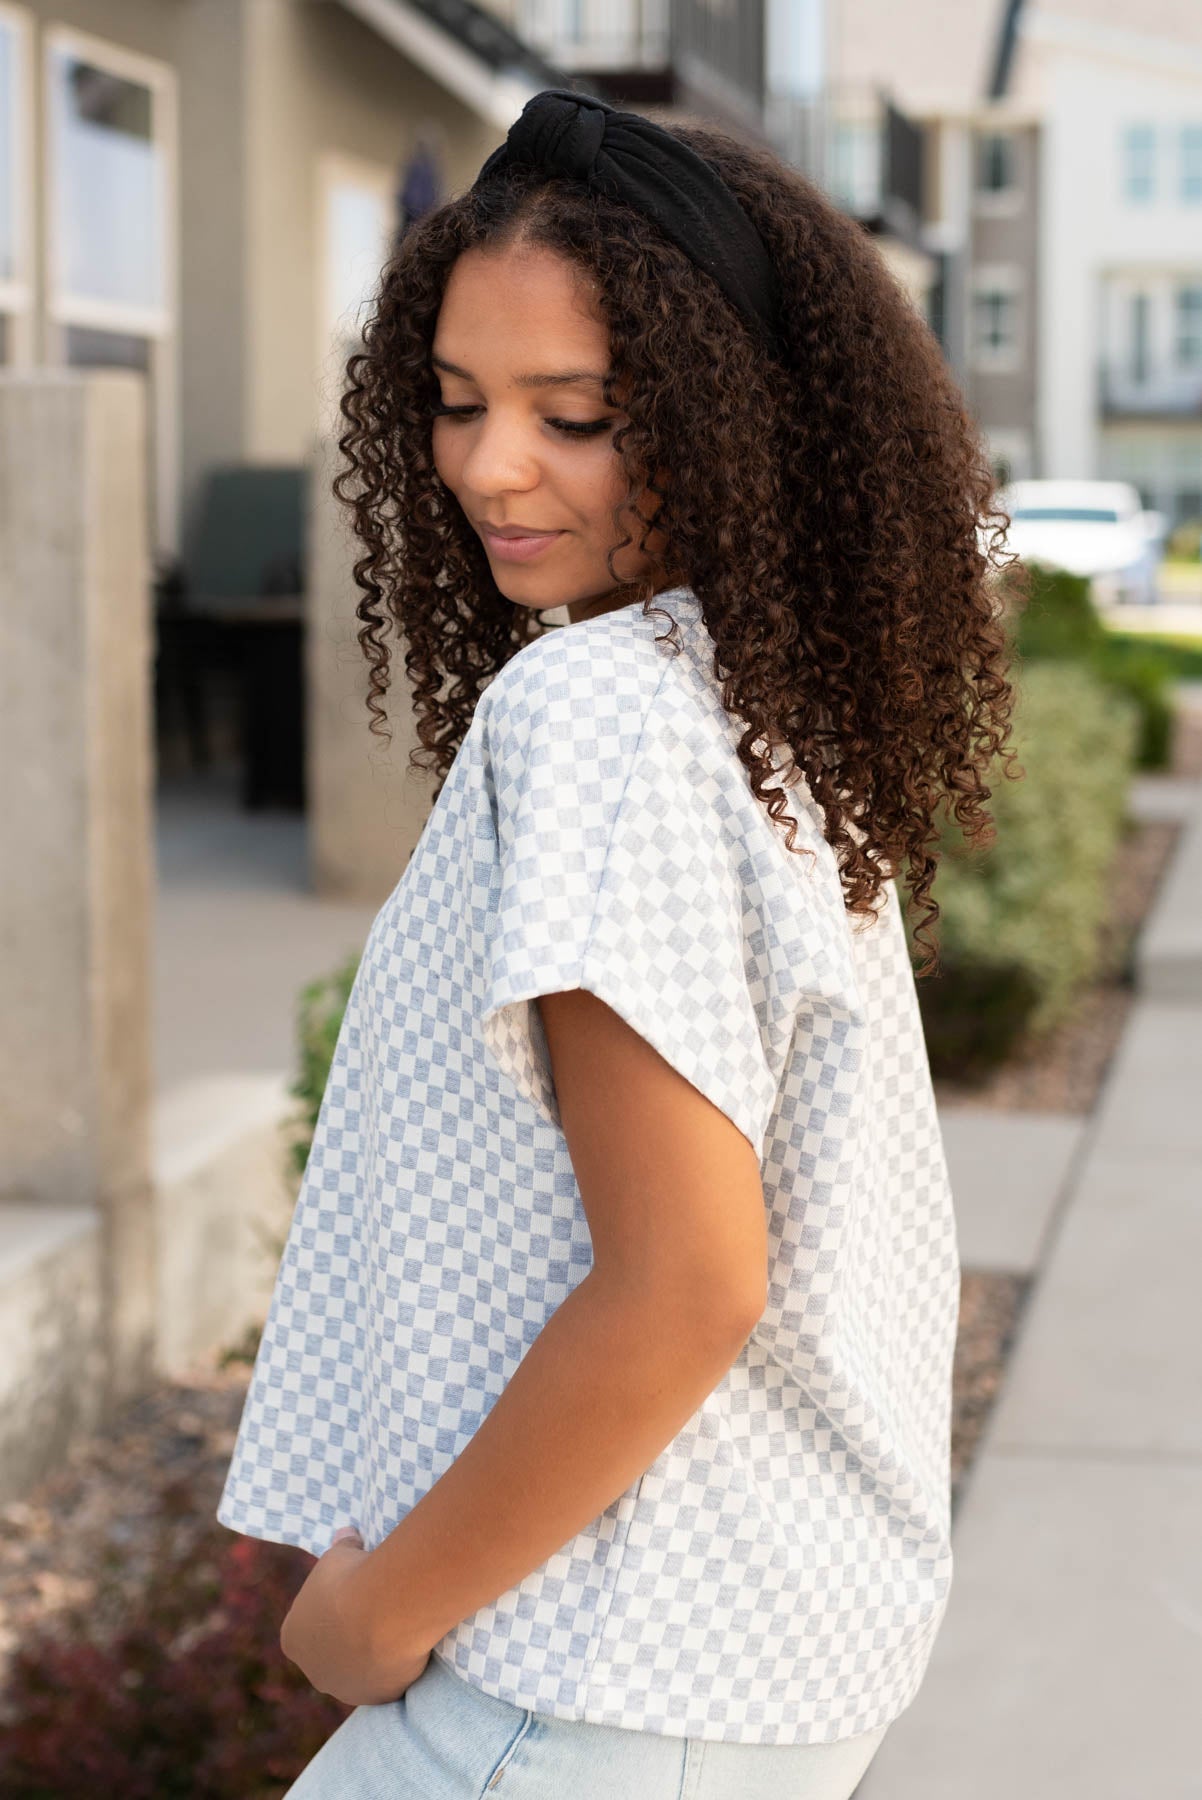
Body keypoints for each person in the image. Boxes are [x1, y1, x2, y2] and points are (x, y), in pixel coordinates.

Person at [216, 86, 1017, 1799]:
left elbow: (685, 1283)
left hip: (589, 1677)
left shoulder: (597, 712)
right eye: (452, 404)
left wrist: (371, 1623)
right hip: (739, 1658)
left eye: (572, 414)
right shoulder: (744, 693)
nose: (489, 466)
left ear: (732, 417)